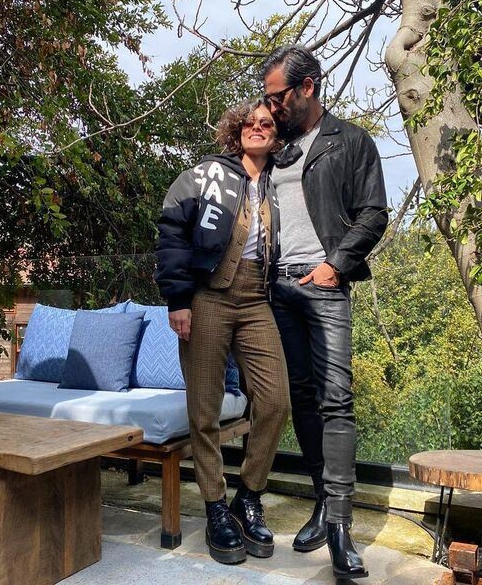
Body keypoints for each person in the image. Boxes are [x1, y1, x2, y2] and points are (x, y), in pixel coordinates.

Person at [261, 45, 388, 579]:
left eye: (277, 96)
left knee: (337, 398)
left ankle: (339, 525)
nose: (271, 106)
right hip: (278, 287)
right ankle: (320, 501)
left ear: (307, 86)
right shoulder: (274, 148)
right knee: (302, 397)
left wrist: (335, 266)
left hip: (324, 285)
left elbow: (373, 213)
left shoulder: (351, 141)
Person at [155, 100, 291, 565]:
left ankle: (248, 496)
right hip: (208, 296)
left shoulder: (280, 181)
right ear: (237, 130)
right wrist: (178, 299)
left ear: (276, 134)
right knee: (204, 410)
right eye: (249, 122)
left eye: (266, 123)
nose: (257, 128)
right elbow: (173, 228)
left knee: (275, 401)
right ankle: (215, 507)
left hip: (256, 300)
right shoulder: (205, 174)